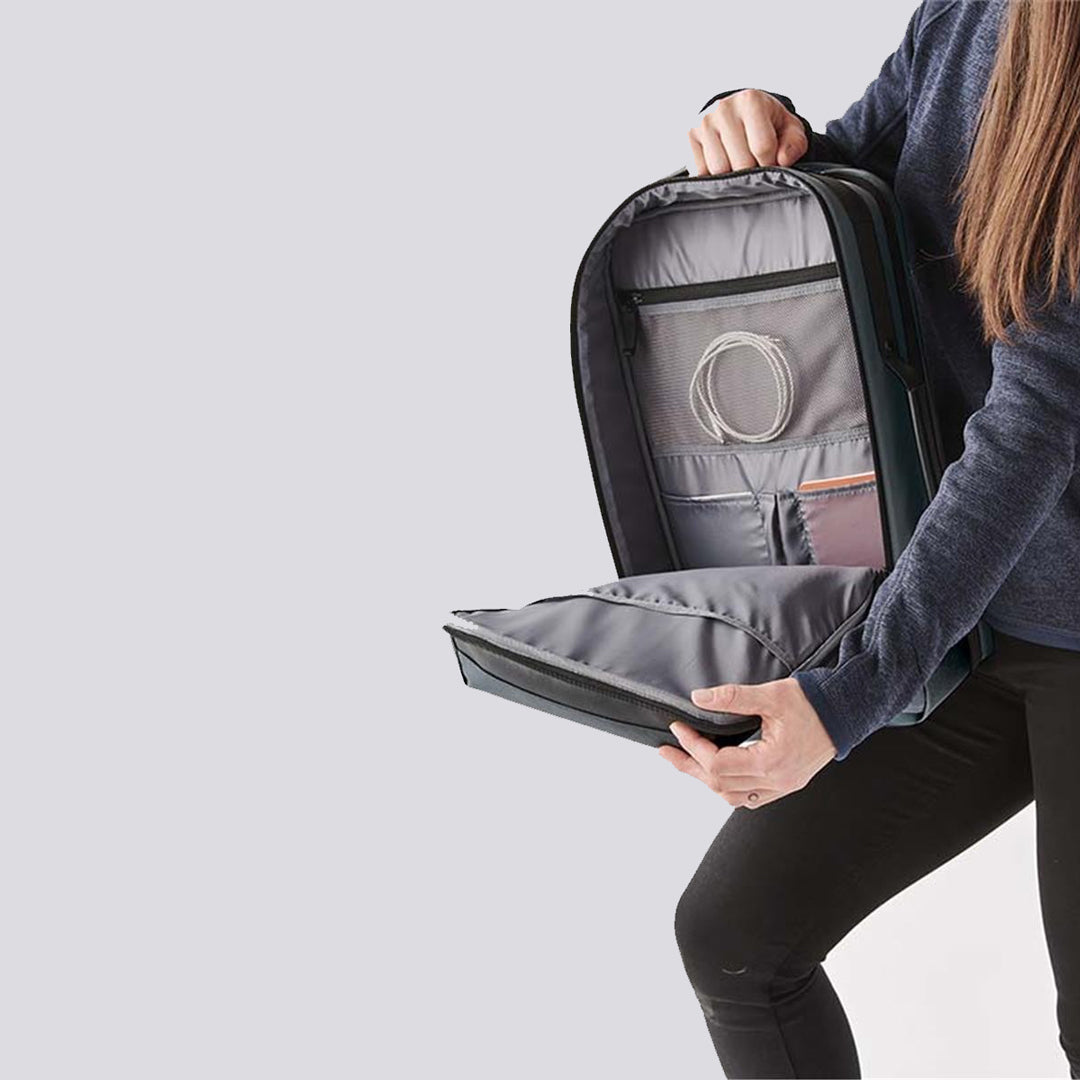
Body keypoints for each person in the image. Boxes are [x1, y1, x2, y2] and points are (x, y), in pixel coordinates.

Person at [656, 2, 1080, 1076]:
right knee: (738, 938)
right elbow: (854, 187)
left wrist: (851, 694)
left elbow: (1038, 418)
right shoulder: (972, 12)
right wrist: (755, 123)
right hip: (980, 608)